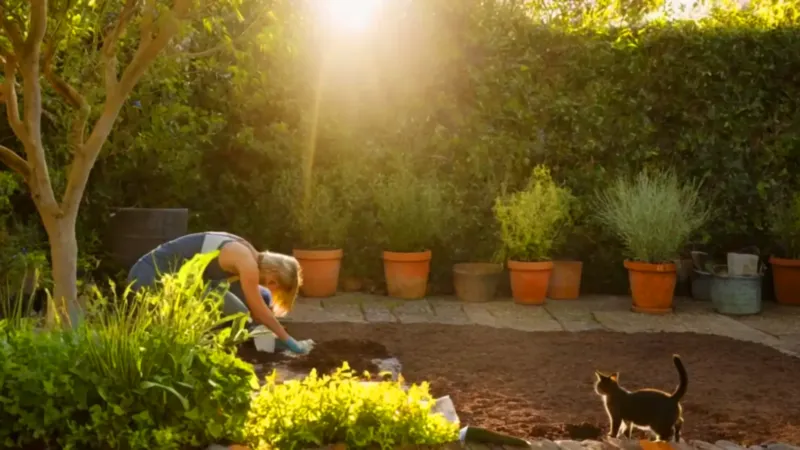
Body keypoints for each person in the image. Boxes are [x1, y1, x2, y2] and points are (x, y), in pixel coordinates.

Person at [126, 231, 313, 354]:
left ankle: (265, 346)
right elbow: (258, 312)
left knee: (254, 303)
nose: (271, 288)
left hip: (175, 281)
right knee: (238, 312)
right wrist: (289, 341)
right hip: (150, 277)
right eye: (276, 287)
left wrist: (272, 336)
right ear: (274, 277)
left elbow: (256, 302)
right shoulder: (247, 264)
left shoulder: (248, 251)